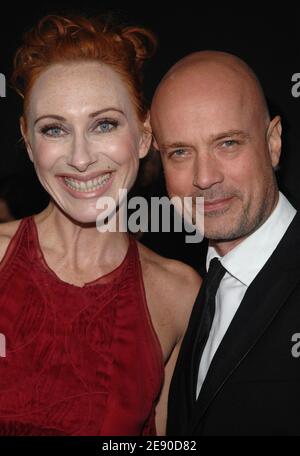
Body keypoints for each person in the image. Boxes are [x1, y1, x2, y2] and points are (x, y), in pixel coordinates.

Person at [0, 14, 200, 436]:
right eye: (54, 129)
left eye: (104, 124)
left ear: (144, 136)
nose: (80, 157)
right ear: (29, 142)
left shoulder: (179, 293)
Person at [150, 50, 300, 435]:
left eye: (228, 143)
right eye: (180, 152)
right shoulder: (194, 288)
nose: (204, 177)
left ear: (274, 142)